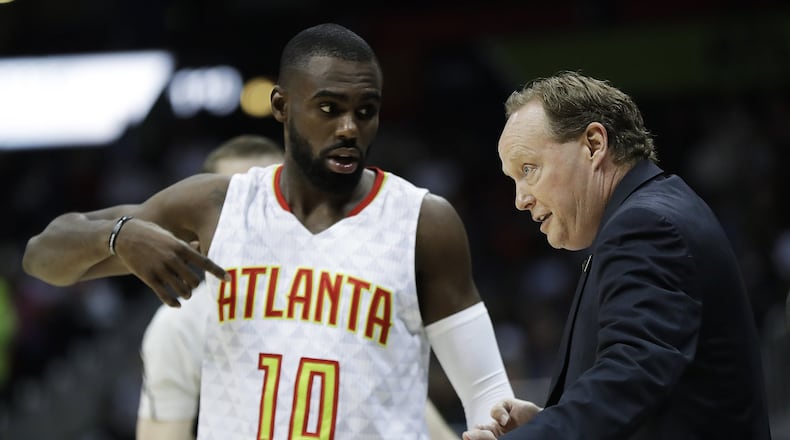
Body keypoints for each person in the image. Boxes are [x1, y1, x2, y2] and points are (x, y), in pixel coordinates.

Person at [23, 23, 513, 439]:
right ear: (281, 105)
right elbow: (42, 256)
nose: (349, 128)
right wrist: (120, 234)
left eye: (365, 111)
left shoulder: (425, 222)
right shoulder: (215, 206)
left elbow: (488, 395)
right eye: (329, 108)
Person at [464, 71, 771, 439]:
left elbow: (631, 376)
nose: (520, 198)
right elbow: (652, 388)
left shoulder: (646, 225)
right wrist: (548, 419)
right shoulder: (655, 210)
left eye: (529, 169)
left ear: (594, 144)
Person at [136, 134, 461, 440]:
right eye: (237, 204)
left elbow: (402, 403)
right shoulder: (180, 324)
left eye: (271, 198)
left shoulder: (349, 295)